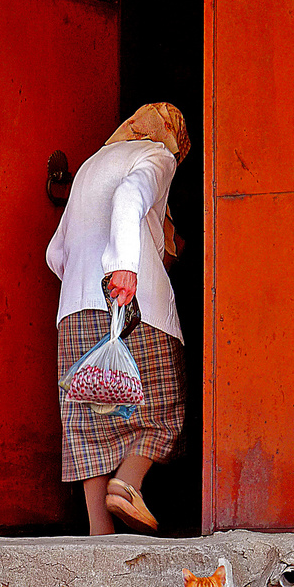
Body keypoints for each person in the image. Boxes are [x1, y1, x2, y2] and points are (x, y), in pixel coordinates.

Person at [46, 102, 189, 536]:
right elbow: (129, 198)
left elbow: (56, 251)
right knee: (163, 404)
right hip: (130, 299)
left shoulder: (91, 164)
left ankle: (98, 531)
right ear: (171, 135)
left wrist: (81, 282)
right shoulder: (157, 156)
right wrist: (125, 264)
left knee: (87, 416)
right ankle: (127, 483)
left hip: (74, 308)